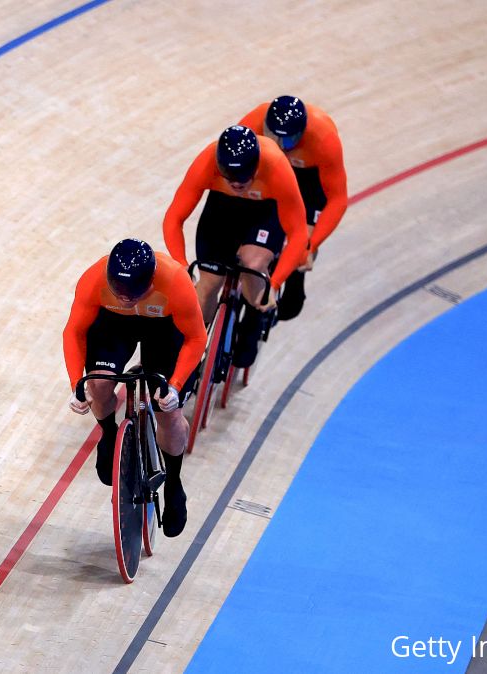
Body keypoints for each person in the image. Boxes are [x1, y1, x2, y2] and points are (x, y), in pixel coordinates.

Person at [62, 238, 206, 537]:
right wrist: (77, 384)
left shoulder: (176, 281)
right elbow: (74, 332)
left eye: (135, 292)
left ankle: (175, 483)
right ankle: (109, 433)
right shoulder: (94, 279)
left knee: (167, 409)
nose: (127, 298)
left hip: (163, 330)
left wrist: (176, 386)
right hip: (115, 325)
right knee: (99, 384)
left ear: (151, 280)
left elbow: (196, 339)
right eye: (120, 291)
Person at [161, 125, 309, 368]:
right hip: (223, 211)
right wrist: (182, 266)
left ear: (257, 167)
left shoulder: (276, 166)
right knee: (207, 286)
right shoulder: (207, 161)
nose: (237, 183)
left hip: (264, 213)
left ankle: (254, 317)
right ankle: (193, 348)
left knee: (253, 264)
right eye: (229, 176)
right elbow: (174, 218)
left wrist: (275, 282)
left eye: (243, 178)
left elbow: (299, 233)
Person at [238, 95, 348, 320]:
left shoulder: (324, 140)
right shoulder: (253, 123)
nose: (278, 146)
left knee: (301, 243)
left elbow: (337, 199)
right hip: (271, 172)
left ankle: (295, 276)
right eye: (272, 136)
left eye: (286, 142)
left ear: (301, 135)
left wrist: (310, 245)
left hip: (308, 181)